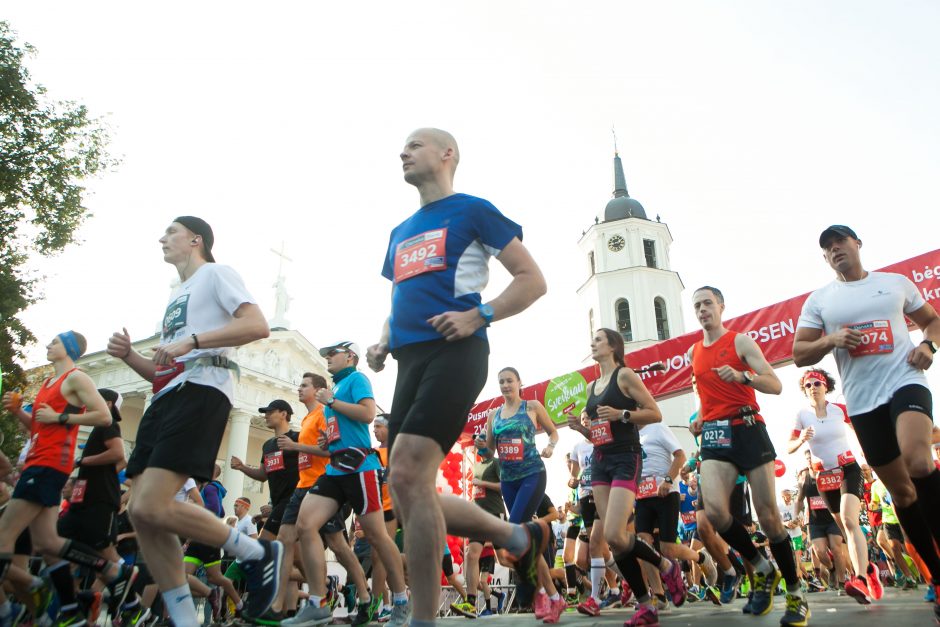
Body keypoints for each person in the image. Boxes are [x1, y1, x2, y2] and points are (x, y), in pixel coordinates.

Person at [366, 128, 549, 627]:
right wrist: (383, 339)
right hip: (409, 361)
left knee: (406, 473)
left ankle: (423, 619)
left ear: (447, 155)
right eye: (402, 146)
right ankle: (516, 536)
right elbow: (400, 298)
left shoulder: (473, 210)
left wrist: (479, 315)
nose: (403, 151)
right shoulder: (399, 231)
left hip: (458, 350)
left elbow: (533, 280)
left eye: (415, 144)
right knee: (409, 492)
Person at [106, 217, 281, 625]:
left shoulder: (215, 274)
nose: (162, 238)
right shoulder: (177, 296)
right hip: (166, 396)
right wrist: (130, 356)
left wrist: (195, 341)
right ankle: (184, 618)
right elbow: (163, 370)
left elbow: (257, 325)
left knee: (152, 503)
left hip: (204, 389)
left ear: (195, 239)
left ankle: (256, 552)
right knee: (143, 513)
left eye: (171, 232)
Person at [793, 224, 940, 621]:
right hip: (862, 403)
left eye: (841, 241)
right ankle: (938, 578)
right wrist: (830, 341)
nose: (835, 249)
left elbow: (932, 321)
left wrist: (928, 345)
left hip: (905, 381)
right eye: (827, 247)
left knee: (920, 463)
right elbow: (799, 352)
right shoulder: (820, 301)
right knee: (905, 495)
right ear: (825, 259)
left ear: (857, 244)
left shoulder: (895, 283)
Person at [689, 286, 810, 626]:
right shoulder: (694, 352)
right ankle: (760, 566)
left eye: (708, 303)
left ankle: (796, 593)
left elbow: (775, 384)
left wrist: (745, 376)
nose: (702, 310)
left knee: (770, 518)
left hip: (748, 426)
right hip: (714, 434)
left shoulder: (740, 342)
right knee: (713, 511)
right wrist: (700, 416)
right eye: (697, 305)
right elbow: (706, 393)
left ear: (721, 306)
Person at [0, 332, 136, 627]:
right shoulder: (48, 384)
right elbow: (39, 429)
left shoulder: (76, 378)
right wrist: (17, 413)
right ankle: (82, 600)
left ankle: (15, 608)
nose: (48, 345)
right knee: (48, 542)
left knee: (3, 538)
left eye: (55, 342)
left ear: (69, 349)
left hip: (49, 465)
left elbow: (103, 416)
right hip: (39, 462)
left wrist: (62, 419)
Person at [285, 342, 408, 627]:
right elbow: (342, 428)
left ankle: (400, 600)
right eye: (326, 354)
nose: (328, 358)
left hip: (361, 468)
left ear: (350, 356)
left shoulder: (356, 379)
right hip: (335, 468)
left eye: (333, 353)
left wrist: (331, 402)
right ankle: (317, 603)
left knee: (378, 537)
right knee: (305, 525)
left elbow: (367, 414)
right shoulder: (335, 390)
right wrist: (328, 439)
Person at [568, 328, 684, 627]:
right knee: (613, 540)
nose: (592, 343)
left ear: (612, 346)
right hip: (601, 460)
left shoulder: (626, 376)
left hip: (625, 458)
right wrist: (582, 430)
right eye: (591, 339)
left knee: (617, 534)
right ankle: (646, 606)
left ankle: (666, 565)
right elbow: (599, 433)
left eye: (597, 340)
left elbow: (654, 413)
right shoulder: (593, 386)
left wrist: (622, 414)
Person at [478, 367, 564, 623]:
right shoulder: (494, 415)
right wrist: (483, 445)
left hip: (532, 475)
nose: (505, 385)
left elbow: (554, 431)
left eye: (509, 381)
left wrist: (550, 446)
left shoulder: (532, 406)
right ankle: (554, 597)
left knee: (514, 533)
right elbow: (491, 451)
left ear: (519, 383)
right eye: (501, 382)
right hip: (508, 481)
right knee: (524, 542)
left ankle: (538, 594)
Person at [786, 368, 876, 603]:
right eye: (808, 385)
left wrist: (868, 460)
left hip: (848, 469)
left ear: (826, 386)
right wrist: (801, 439)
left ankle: (860, 579)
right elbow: (788, 446)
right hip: (823, 477)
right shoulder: (802, 415)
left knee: (849, 521)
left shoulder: (839, 410)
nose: (813, 387)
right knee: (844, 529)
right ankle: (868, 570)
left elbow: (861, 430)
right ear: (804, 391)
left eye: (817, 383)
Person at [229, 399, 299, 622]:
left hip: (294, 500)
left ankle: (263, 604)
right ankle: (291, 611)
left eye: (270, 412)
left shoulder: (297, 438)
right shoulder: (268, 445)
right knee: (290, 558)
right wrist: (242, 468)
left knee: (263, 547)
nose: (266, 416)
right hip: (278, 503)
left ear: (284, 414)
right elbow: (263, 474)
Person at [634, 421, 718, 606]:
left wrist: (667, 480)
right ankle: (659, 595)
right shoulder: (628, 434)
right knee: (644, 546)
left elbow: (679, 456)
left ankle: (702, 558)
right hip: (642, 497)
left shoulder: (657, 427)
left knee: (667, 549)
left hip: (665, 493)